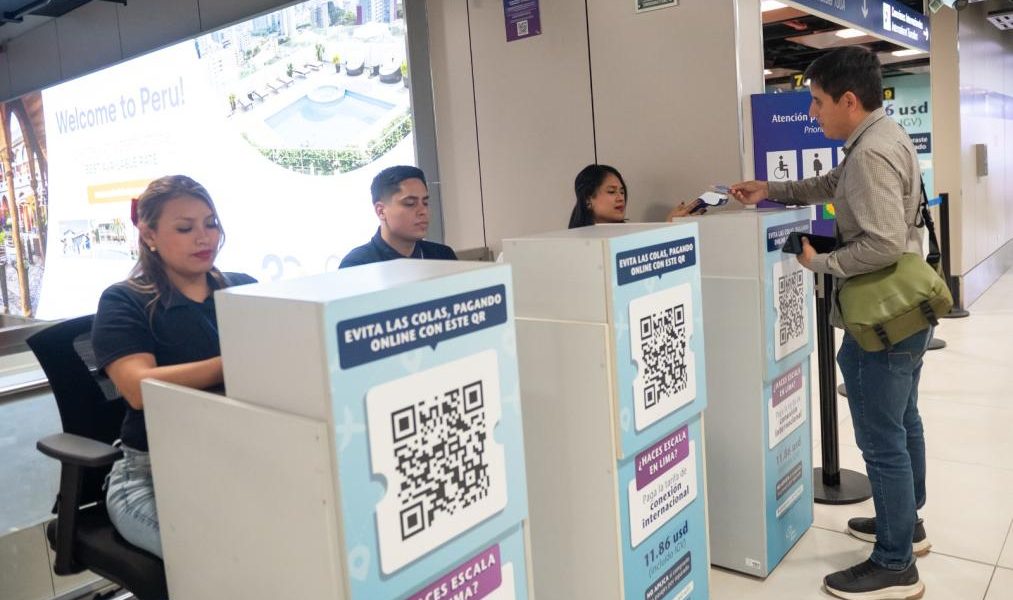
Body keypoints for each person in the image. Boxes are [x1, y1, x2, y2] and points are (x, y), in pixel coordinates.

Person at [730, 47, 929, 600]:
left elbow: (882, 244)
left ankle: (895, 563)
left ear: (847, 100)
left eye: (817, 102)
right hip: (909, 310)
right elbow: (831, 184)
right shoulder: (881, 137)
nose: (812, 113)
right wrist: (770, 189)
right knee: (903, 421)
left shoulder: (870, 154)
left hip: (881, 320)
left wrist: (822, 263)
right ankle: (906, 525)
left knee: (882, 440)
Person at [92, 175, 256, 558]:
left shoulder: (245, 288)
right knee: (226, 562)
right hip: (152, 477)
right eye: (185, 228)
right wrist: (237, 362)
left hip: (240, 462)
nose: (204, 238)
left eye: (211, 224)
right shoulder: (124, 300)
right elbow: (138, 388)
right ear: (149, 234)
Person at [340, 165, 457, 267]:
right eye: (410, 203)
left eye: (425, 203)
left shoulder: (443, 256)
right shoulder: (358, 264)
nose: (423, 211)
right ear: (381, 211)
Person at [567, 163, 703, 229]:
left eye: (622, 192)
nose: (621, 198)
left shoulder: (629, 234)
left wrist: (670, 226)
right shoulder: (575, 243)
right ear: (588, 200)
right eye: (611, 192)